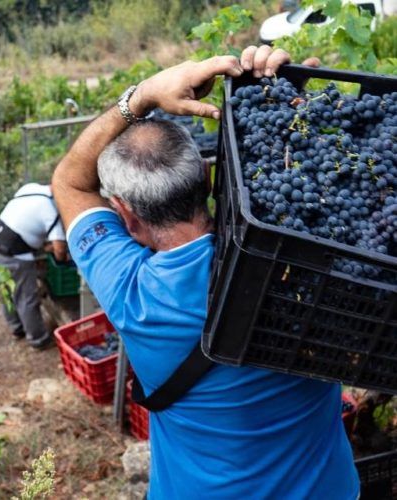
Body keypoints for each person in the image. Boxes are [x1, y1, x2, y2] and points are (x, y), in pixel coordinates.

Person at [52, 45, 360, 499]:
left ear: (125, 216)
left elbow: (69, 181)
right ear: (211, 181)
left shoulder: (131, 295)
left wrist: (141, 97)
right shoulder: (300, 264)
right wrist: (284, 95)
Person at [0, 182, 67, 349]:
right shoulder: (52, 212)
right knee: (26, 298)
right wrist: (56, 249)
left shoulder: (30, 188)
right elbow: (60, 251)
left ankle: (16, 329)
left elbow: (25, 219)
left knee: (7, 292)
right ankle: (39, 340)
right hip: (15, 255)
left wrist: (43, 244)